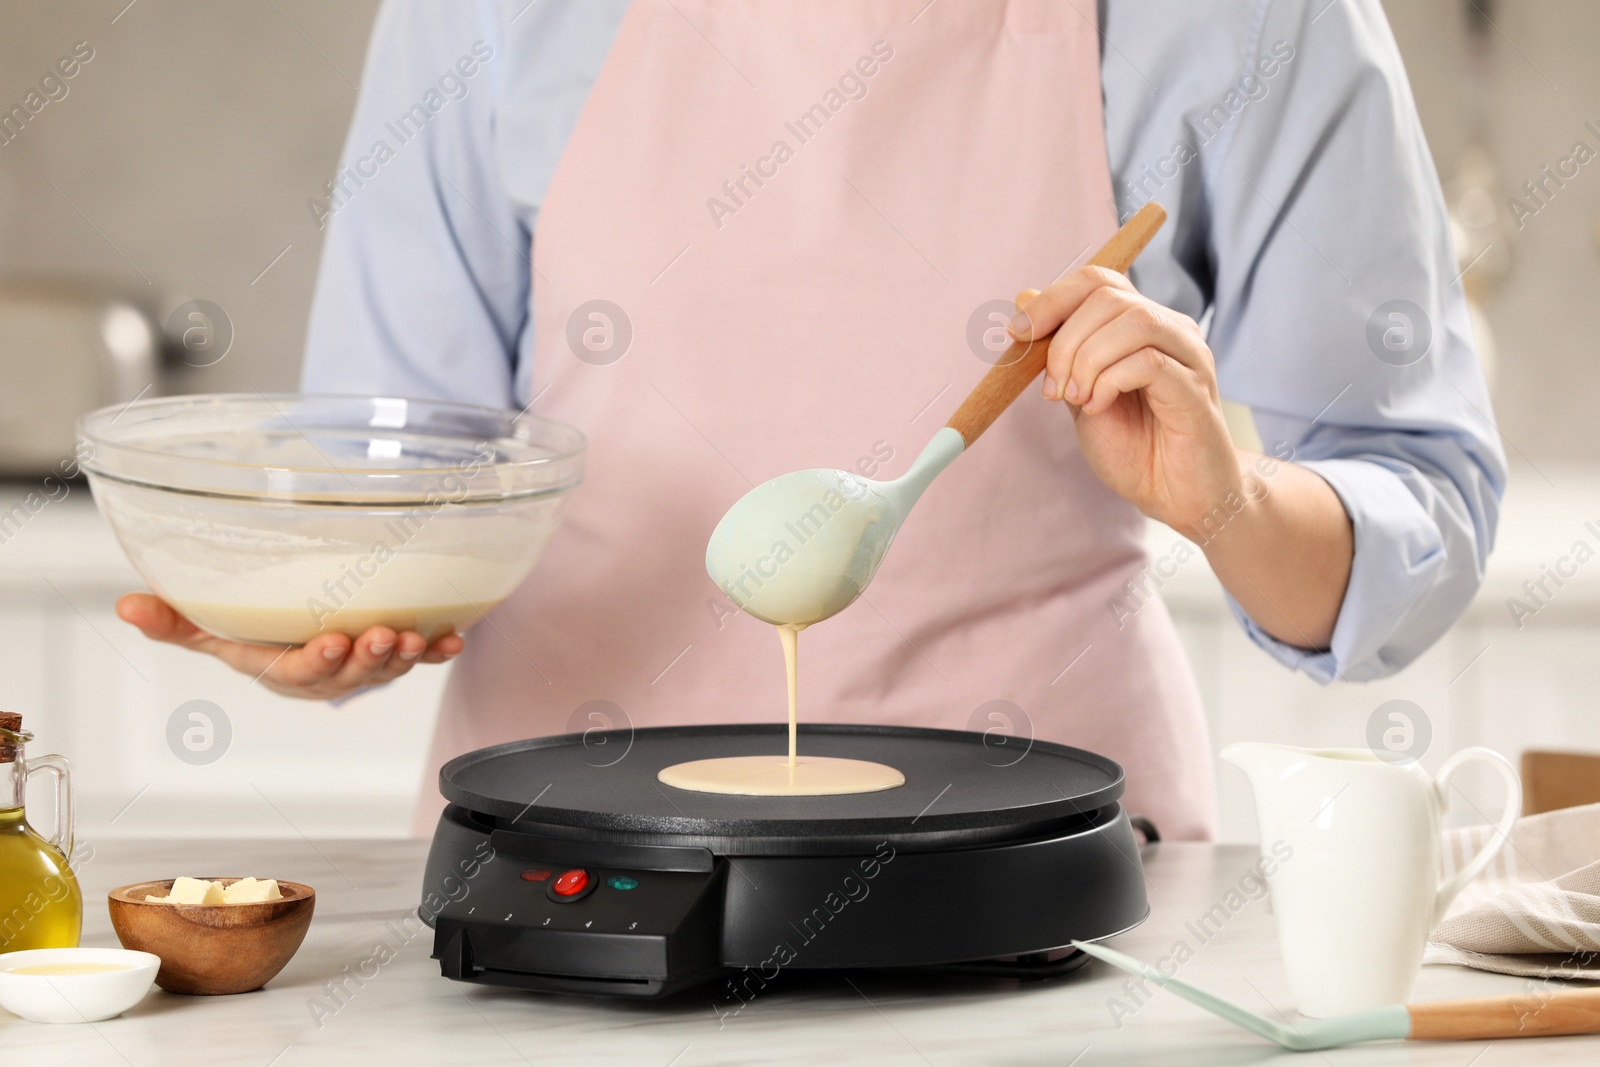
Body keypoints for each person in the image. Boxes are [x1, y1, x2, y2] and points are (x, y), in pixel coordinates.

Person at [116, 0, 1505, 841]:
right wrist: (331, 621)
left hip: (1052, 884)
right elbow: (401, 475)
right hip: (568, 877)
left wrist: (1231, 501)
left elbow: (1417, 493)